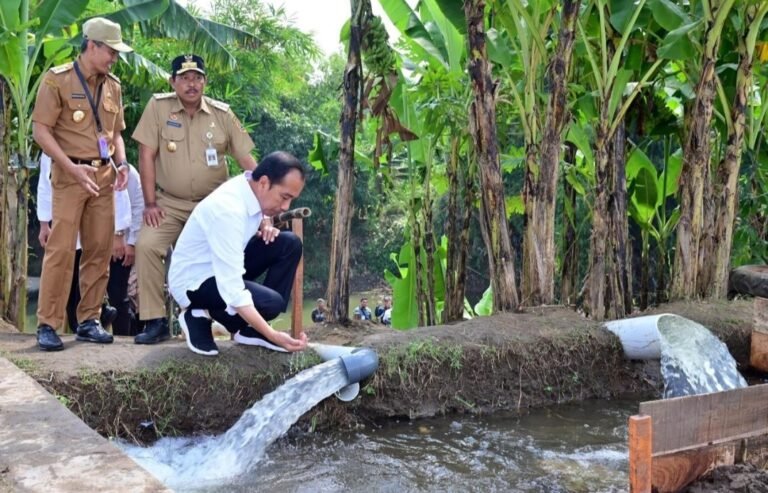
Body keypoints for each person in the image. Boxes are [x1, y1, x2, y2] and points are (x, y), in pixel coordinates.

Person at [132, 54, 258, 345]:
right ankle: (155, 320)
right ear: (172, 82)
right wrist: (150, 203)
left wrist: (268, 192)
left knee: (223, 256)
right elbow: (146, 156)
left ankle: (217, 318)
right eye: (185, 78)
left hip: (212, 205)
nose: (192, 84)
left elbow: (246, 160)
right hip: (168, 204)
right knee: (147, 245)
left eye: (197, 78)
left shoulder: (222, 114)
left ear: (205, 82)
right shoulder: (158, 108)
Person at [31, 17, 131, 351]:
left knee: (99, 249)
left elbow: (116, 133)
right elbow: (41, 131)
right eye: (111, 51)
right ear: (92, 45)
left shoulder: (113, 85)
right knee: (61, 251)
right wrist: (71, 168)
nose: (114, 58)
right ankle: (48, 324)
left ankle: (89, 319)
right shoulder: (57, 79)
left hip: (103, 176)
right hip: (70, 174)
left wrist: (121, 163)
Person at [168, 151, 308, 356]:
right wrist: (272, 335)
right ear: (263, 183)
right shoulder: (228, 210)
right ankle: (198, 312)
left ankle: (248, 329)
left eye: (291, 200)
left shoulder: (250, 190)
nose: (285, 207)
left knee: (289, 244)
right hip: (194, 281)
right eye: (284, 197)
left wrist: (265, 223)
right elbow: (233, 289)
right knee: (272, 303)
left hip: (220, 267)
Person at [36, 153, 143, 334]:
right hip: (69, 230)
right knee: (69, 291)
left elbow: (116, 190)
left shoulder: (104, 150)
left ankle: (103, 325)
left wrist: (119, 234)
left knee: (116, 292)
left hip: (104, 229)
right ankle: (49, 326)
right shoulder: (51, 150)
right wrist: (44, 223)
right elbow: (45, 183)